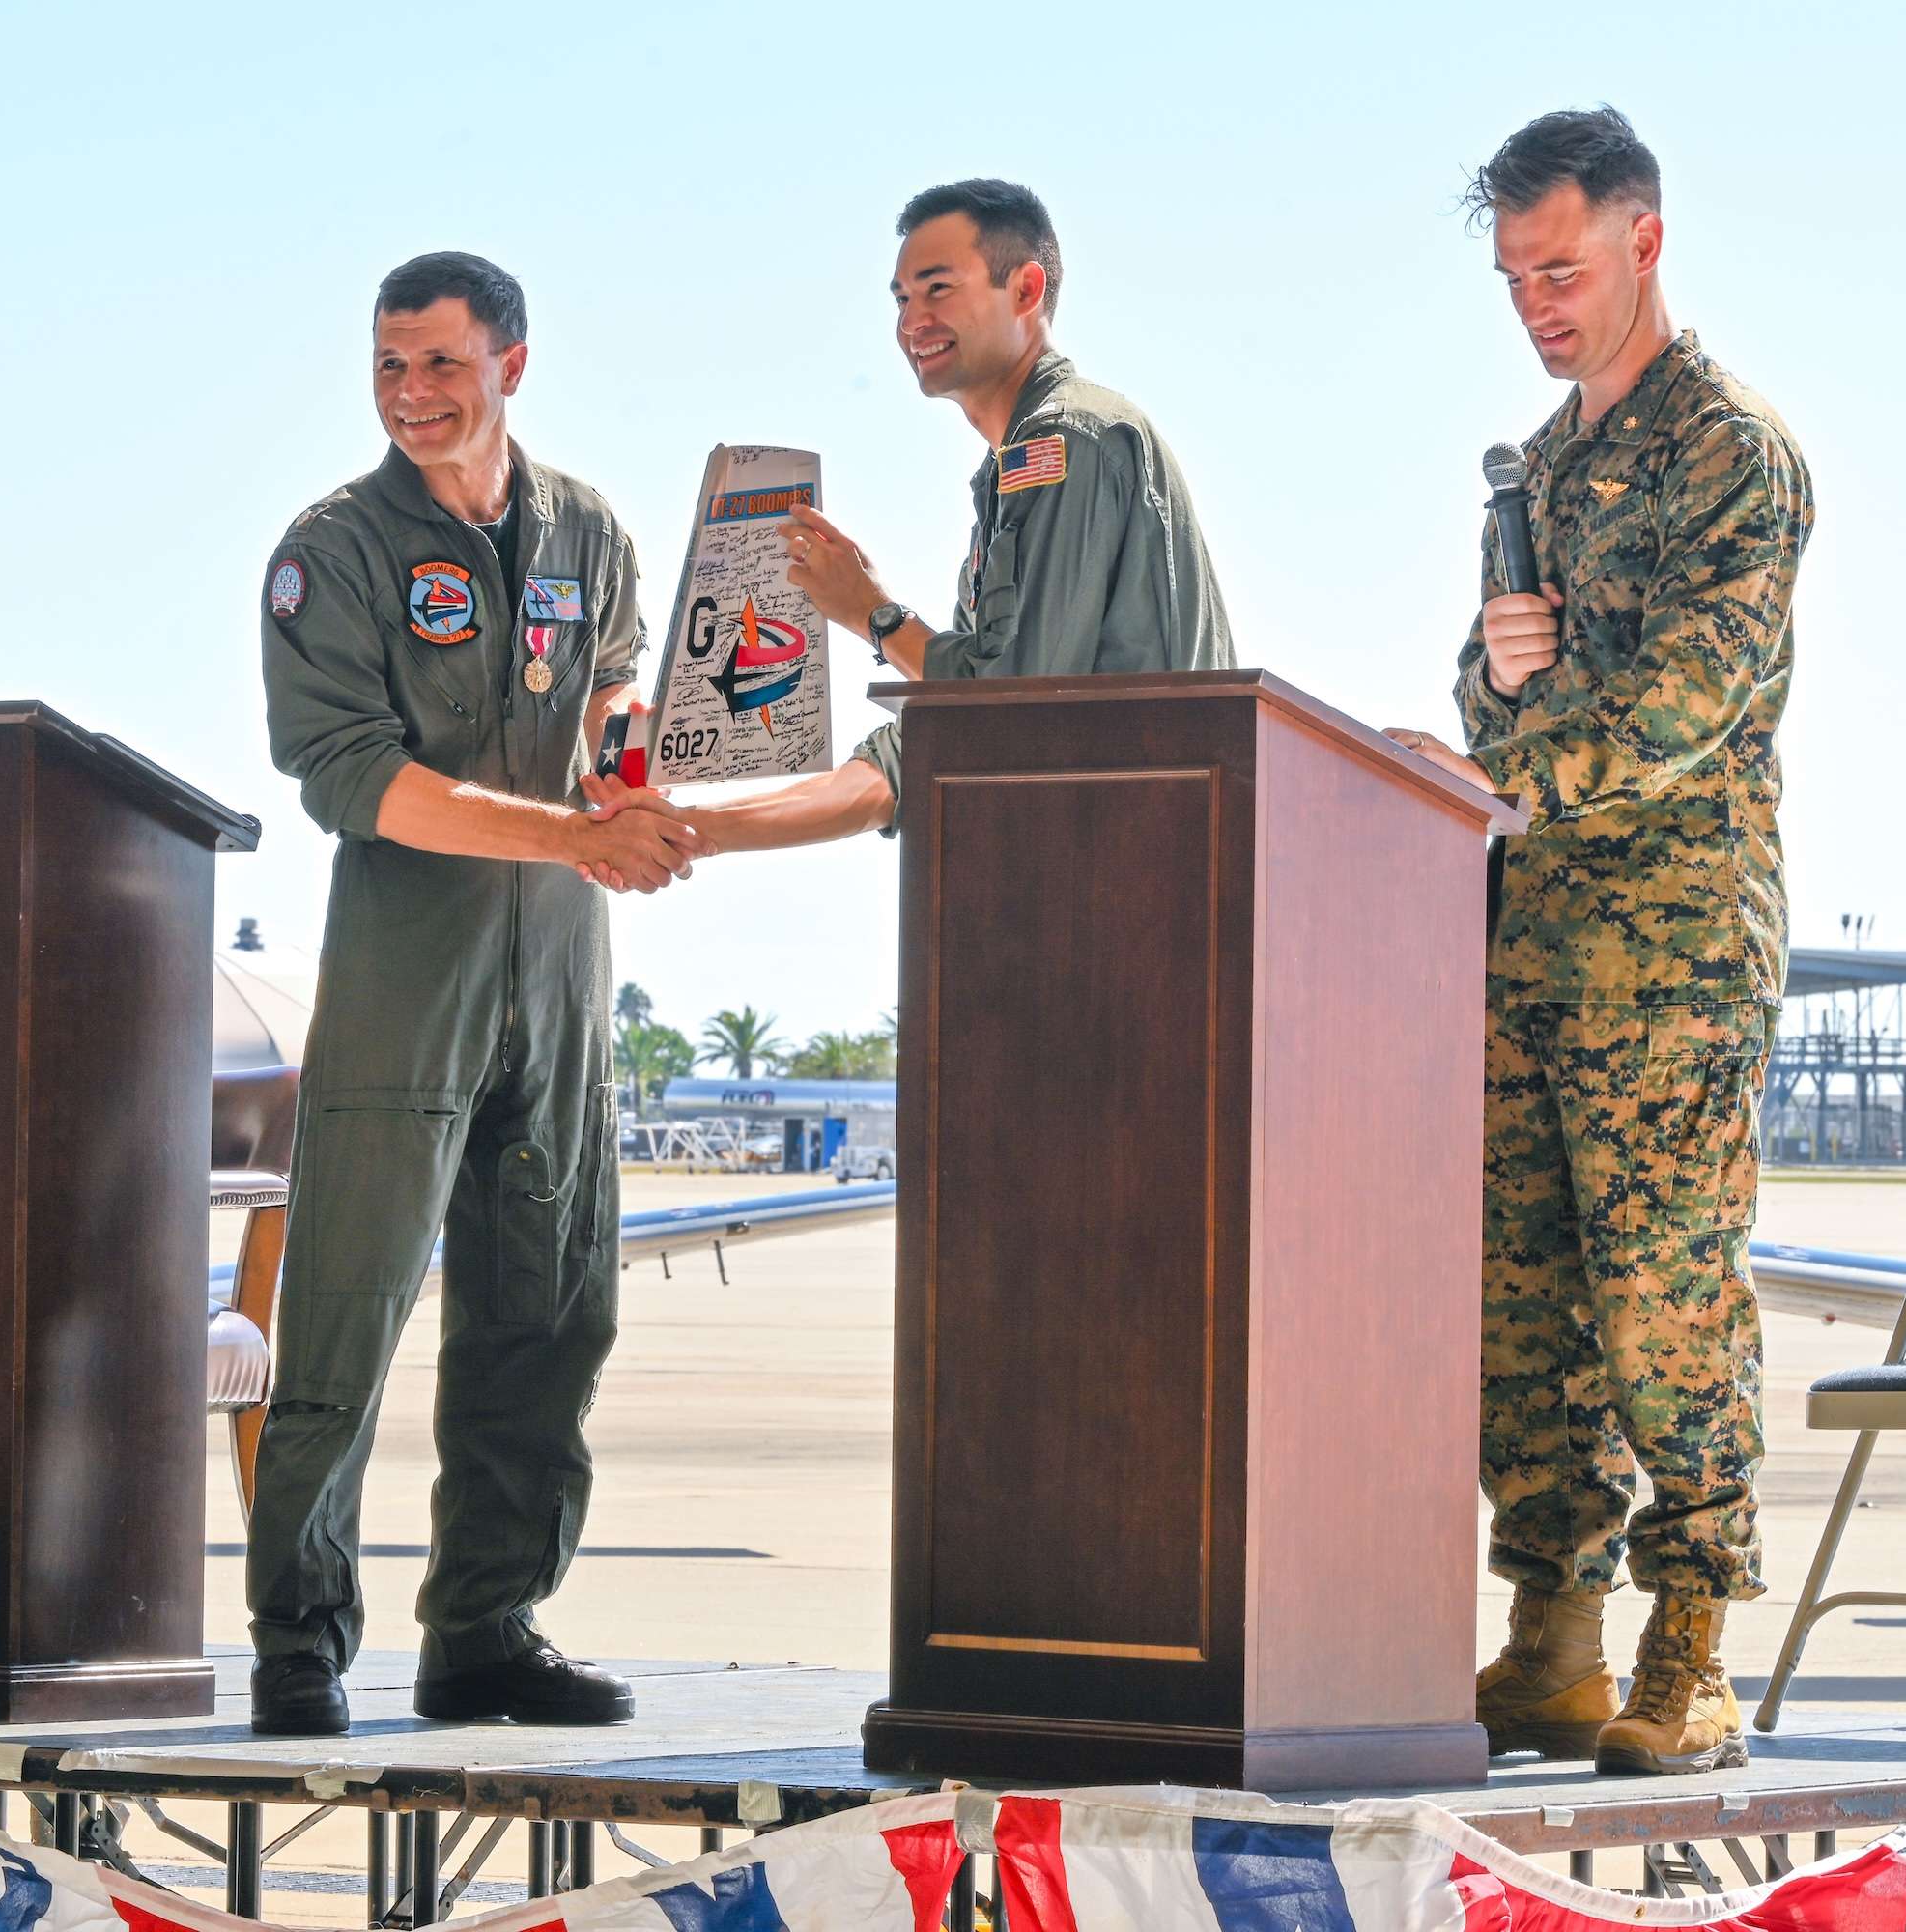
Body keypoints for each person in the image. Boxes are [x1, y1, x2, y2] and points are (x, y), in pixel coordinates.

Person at [1383, 108, 1812, 1776]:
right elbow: (1500, 683)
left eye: (1560, 269)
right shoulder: (1545, 470)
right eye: (1512, 279)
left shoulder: (1733, 452)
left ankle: (1690, 1643)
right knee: (1527, 1314)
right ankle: (1549, 1635)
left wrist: (1499, 761)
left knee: (1665, 1305)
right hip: (1528, 941)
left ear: (1647, 238)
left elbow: (1696, 700)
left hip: (1674, 953)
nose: (1538, 306)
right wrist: (1487, 685)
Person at [249, 252, 710, 1736]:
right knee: (345, 1315)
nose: (412, 397)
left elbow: (614, 695)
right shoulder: (337, 549)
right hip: (410, 965)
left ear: (514, 361)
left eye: (441, 364)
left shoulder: (589, 531)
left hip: (564, 971)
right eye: (390, 367)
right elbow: (359, 780)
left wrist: (642, 755)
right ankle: (301, 1640)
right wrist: (574, 833)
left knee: (552, 1308)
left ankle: (488, 1630)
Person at [589, 178, 1235, 855]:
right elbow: (925, 745)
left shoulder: (1064, 442)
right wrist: (689, 828)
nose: (911, 321)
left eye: (938, 289)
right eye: (901, 298)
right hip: (1088, 868)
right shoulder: (1015, 467)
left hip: (1130, 869)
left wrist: (874, 614)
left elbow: (1013, 702)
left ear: (1025, 290)